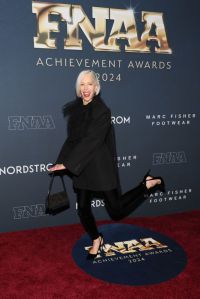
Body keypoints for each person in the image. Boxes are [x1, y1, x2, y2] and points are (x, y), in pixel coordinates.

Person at [49, 70, 165, 260]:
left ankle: (147, 184)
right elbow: (72, 140)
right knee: (83, 207)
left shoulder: (102, 111)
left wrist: (69, 164)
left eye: (90, 84)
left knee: (116, 210)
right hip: (81, 166)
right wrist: (61, 161)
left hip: (99, 166)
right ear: (79, 88)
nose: (86, 88)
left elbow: (92, 140)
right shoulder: (75, 110)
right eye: (82, 84)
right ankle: (96, 239)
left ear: (96, 87)